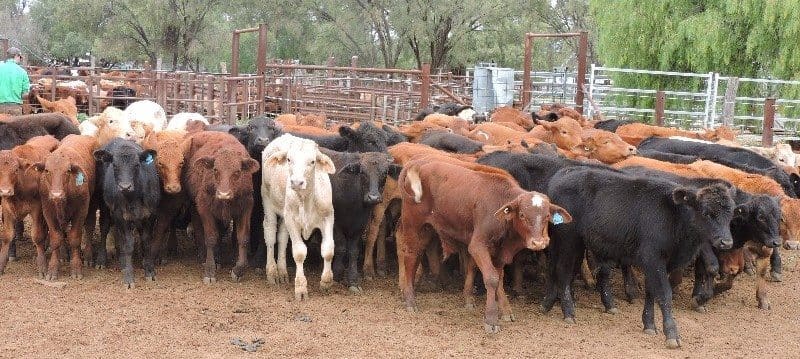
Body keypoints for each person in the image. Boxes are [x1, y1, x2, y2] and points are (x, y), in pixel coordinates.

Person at [0, 47, 30, 116]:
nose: (20, 59)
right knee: (16, 126)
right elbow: (24, 94)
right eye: (20, 57)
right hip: (16, 108)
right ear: (16, 56)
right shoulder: (23, 72)